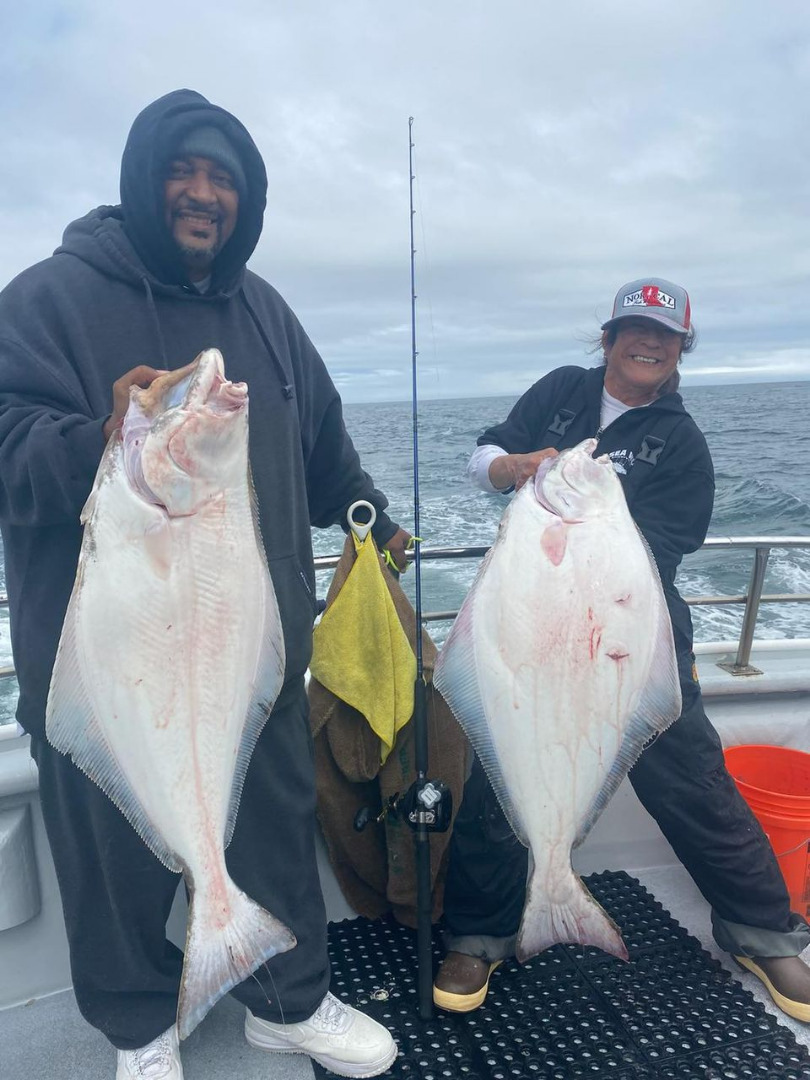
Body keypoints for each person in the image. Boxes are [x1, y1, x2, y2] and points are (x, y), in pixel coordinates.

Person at [0, 90, 409, 1079]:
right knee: (108, 848)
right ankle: (143, 1031)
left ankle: (287, 1001)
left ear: (246, 199)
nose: (201, 193)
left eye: (223, 178)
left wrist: (370, 518)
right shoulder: (46, 300)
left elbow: (321, 446)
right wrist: (100, 437)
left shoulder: (265, 313)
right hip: (103, 660)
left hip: (245, 649)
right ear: (144, 179)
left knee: (270, 825)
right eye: (182, 170)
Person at [432, 277, 810, 1023]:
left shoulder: (682, 441)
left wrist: (586, 507)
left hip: (629, 639)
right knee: (500, 771)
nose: (648, 344)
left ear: (680, 352)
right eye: (633, 330)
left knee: (693, 778)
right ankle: (481, 931)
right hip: (531, 624)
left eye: (665, 337)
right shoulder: (561, 392)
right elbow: (487, 455)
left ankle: (764, 934)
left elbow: (667, 546)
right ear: (608, 339)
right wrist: (510, 469)